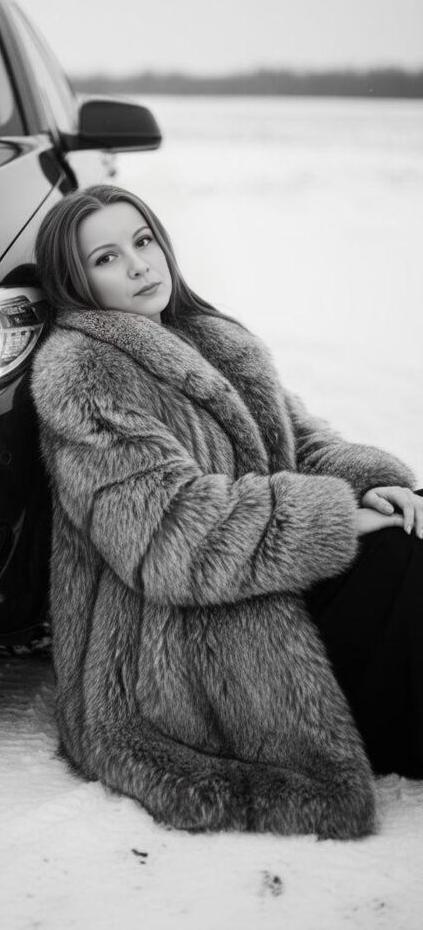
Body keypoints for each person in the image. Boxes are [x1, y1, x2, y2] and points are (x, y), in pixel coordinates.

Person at [29, 183, 422, 839]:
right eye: (107, 258)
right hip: (175, 641)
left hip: (258, 571)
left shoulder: (210, 338)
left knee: (409, 527)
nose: (139, 265)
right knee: (397, 562)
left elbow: (300, 441)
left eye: (143, 241)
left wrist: (369, 483)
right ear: (76, 281)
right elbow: (167, 534)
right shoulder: (82, 374)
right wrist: (331, 521)